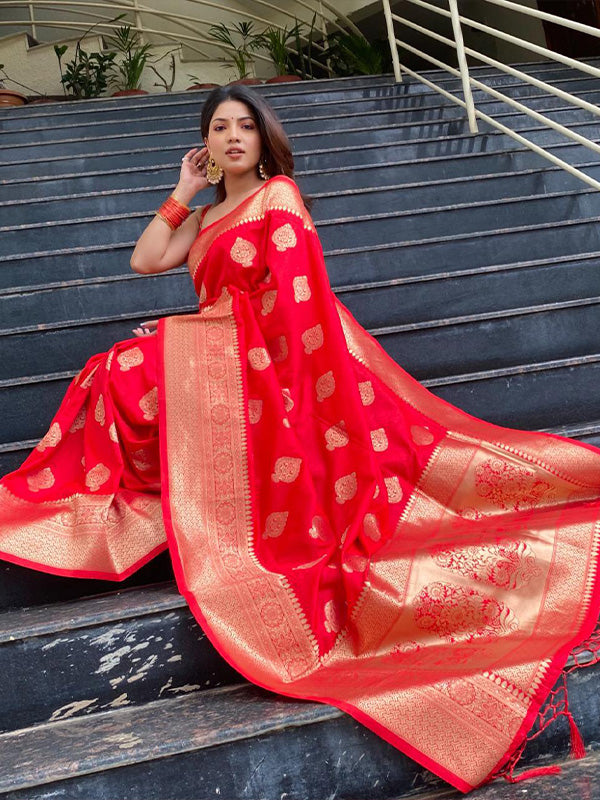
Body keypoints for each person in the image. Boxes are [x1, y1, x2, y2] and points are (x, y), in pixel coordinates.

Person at [1, 84, 600, 794]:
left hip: (265, 371)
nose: (231, 139)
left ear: (263, 139)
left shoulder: (277, 198)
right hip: (216, 363)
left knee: (126, 365)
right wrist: (181, 190)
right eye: (218, 128)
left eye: (244, 128)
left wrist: (192, 337)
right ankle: (122, 503)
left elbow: (294, 306)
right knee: (112, 373)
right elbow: (147, 260)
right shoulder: (212, 212)